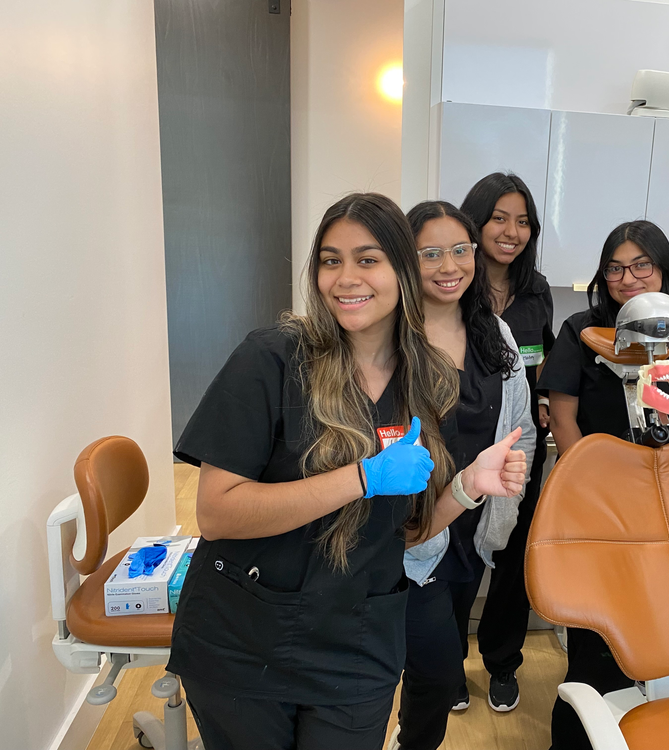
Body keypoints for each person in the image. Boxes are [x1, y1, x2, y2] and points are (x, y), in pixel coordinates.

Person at [167, 193, 527, 750]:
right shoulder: (273, 358)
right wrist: (362, 478)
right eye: (331, 260)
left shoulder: (428, 381)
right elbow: (216, 512)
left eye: (367, 259)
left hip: (357, 639)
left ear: (402, 270)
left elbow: (407, 531)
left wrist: (466, 487)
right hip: (245, 637)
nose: (345, 278)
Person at [538, 219, 669, 750]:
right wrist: (597, 483)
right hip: (601, 507)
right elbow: (564, 416)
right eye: (616, 268)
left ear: (664, 270)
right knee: (599, 629)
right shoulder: (583, 332)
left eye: (641, 265)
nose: (629, 278)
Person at [389, 201, 535, 750]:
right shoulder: (389, 338)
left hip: (473, 523)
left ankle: (416, 738)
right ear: (406, 260)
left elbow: (518, 421)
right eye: (430, 253)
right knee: (415, 663)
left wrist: (510, 494)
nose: (449, 265)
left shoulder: (494, 332)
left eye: (460, 250)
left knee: (440, 664)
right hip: (407, 531)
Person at [459, 172, 555, 712]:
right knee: (455, 556)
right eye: (498, 217)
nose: (511, 231)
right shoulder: (453, 285)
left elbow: (542, 357)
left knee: (514, 553)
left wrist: (544, 399)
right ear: (475, 220)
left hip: (521, 442)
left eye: (522, 221)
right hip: (465, 443)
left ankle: (502, 663)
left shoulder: (536, 290)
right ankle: (446, 663)